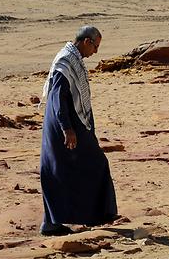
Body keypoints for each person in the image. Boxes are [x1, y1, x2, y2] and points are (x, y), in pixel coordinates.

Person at [39, 25, 117, 236]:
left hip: (74, 125)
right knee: (58, 170)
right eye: (96, 47)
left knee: (84, 166)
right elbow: (57, 98)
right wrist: (67, 128)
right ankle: (52, 224)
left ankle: (92, 216)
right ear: (86, 42)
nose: (96, 52)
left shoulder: (73, 59)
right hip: (63, 127)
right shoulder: (66, 62)